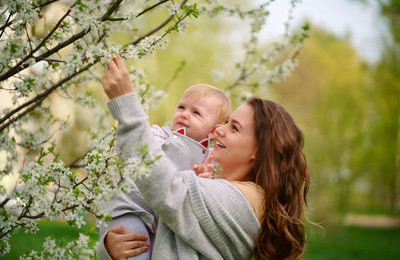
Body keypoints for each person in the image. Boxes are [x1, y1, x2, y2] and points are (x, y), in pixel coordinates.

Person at [99, 56, 311, 260]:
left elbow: (167, 190)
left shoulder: (245, 200)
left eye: (234, 128)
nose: (219, 129)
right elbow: (163, 234)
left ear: (259, 151)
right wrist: (112, 248)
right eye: (226, 122)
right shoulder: (215, 185)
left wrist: (126, 103)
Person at [97, 55, 231, 259]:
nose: (185, 114)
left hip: (166, 224)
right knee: (135, 250)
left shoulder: (212, 160)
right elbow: (136, 147)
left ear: (214, 130)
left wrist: (205, 179)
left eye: (196, 113)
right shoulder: (161, 135)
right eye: (181, 107)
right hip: (134, 208)